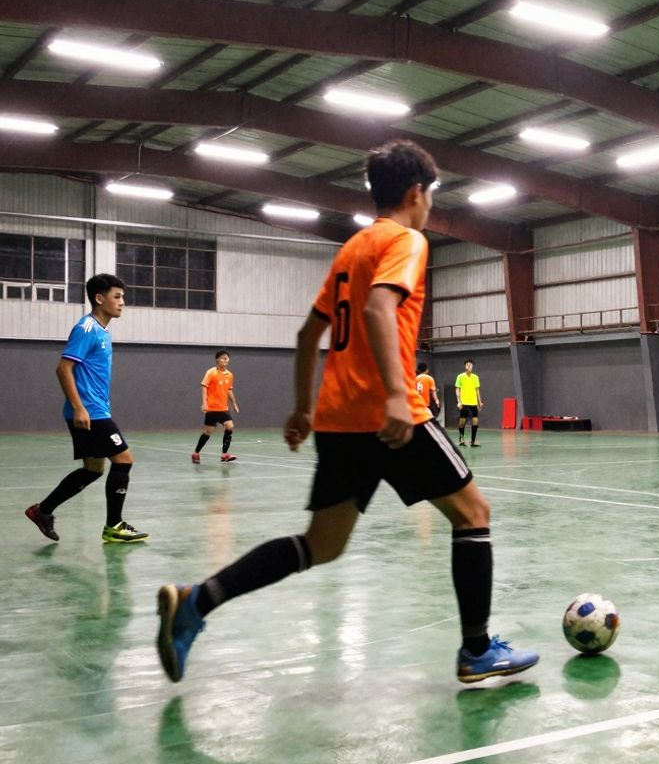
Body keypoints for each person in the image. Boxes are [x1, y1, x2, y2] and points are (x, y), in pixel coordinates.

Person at [155, 139, 537, 685]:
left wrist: (302, 408)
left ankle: (196, 601)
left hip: (337, 420)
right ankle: (476, 651)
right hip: (389, 418)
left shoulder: (353, 248)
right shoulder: (406, 240)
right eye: (431, 194)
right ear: (416, 193)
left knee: (322, 545)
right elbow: (380, 308)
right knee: (473, 513)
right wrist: (396, 395)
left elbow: (307, 333)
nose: (430, 204)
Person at [23, 273, 148, 544]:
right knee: (124, 460)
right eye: (117, 297)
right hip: (90, 412)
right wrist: (79, 408)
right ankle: (114, 526)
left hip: (95, 409)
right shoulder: (87, 328)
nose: (122, 302)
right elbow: (63, 369)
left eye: (123, 297)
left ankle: (42, 510)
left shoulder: (102, 330)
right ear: (99, 298)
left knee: (93, 469)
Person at [192, 350, 240, 464]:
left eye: (227, 358)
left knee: (230, 427)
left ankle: (224, 454)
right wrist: (204, 403)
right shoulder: (211, 372)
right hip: (212, 408)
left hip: (223, 408)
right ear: (217, 359)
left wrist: (234, 403)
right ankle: (196, 453)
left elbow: (229, 390)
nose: (226, 360)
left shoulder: (229, 375)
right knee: (208, 432)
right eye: (223, 358)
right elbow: (204, 386)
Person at [454, 360, 482, 447]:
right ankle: (461, 439)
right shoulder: (460, 376)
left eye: (471, 365)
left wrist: (480, 402)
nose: (469, 366)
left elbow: (477, 390)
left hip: (473, 403)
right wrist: (459, 401)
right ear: (465, 366)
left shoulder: (475, 377)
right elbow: (457, 389)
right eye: (468, 365)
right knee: (462, 422)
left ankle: (473, 441)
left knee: (475, 421)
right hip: (464, 403)